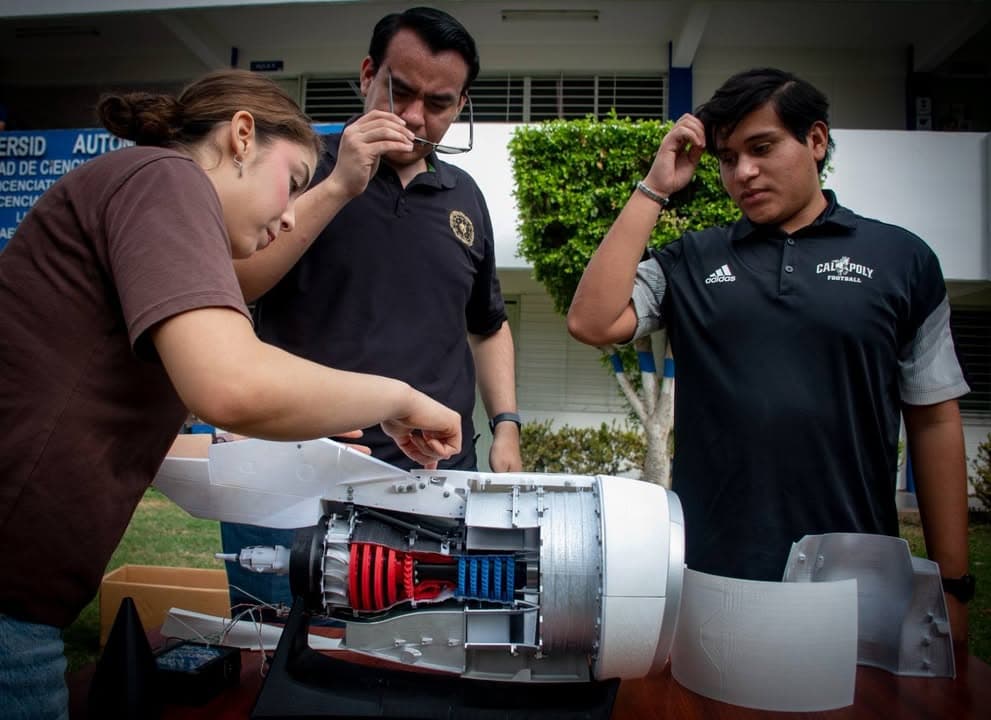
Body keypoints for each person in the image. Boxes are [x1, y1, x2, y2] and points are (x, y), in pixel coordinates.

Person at [0, 69, 461, 719]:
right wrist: (400, 396)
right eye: (294, 182)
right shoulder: (165, 177)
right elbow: (234, 383)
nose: (290, 217)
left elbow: (115, 395)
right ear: (242, 135)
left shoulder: (140, 187)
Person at [567, 67, 972, 653]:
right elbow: (592, 321)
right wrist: (656, 186)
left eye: (762, 148)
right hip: (713, 571)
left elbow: (935, 419)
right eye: (728, 158)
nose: (743, 173)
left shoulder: (902, 260)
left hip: (854, 573)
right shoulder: (693, 260)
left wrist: (952, 587)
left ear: (815, 140)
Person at [222, 6, 522, 612]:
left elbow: (487, 326)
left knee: (424, 651)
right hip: (299, 472)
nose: (414, 117)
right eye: (399, 90)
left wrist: (507, 425)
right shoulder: (300, 166)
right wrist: (338, 188)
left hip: (434, 482)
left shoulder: (466, 196)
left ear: (460, 106)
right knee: (278, 655)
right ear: (366, 75)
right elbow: (239, 282)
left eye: (437, 103)